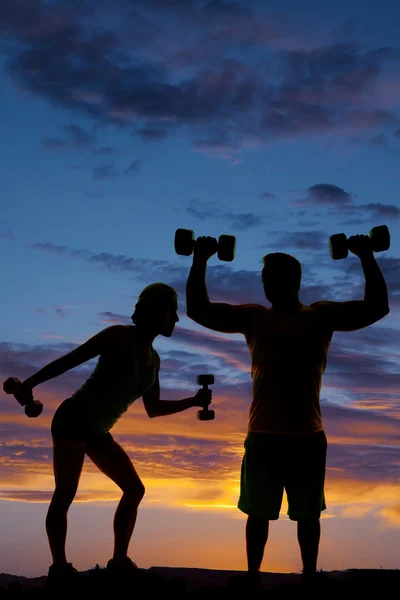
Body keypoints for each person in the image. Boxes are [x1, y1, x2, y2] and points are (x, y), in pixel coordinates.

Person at [185, 235, 389, 587]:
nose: (263, 284)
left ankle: (309, 577)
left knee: (308, 515)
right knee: (257, 513)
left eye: (268, 278)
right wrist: (200, 258)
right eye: (263, 279)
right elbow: (199, 311)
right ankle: (253, 576)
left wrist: (367, 255)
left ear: (290, 280)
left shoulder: (321, 316)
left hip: (307, 435)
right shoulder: (253, 318)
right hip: (263, 433)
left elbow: (377, 307)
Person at [8, 282, 211, 585]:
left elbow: (153, 408)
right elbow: (71, 360)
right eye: (172, 312)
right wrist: (30, 384)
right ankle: (60, 568)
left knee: (135, 490)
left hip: (97, 430)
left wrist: (193, 402)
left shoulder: (154, 361)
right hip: (73, 419)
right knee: (65, 493)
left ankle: (119, 561)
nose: (177, 320)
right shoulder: (118, 337)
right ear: (154, 313)